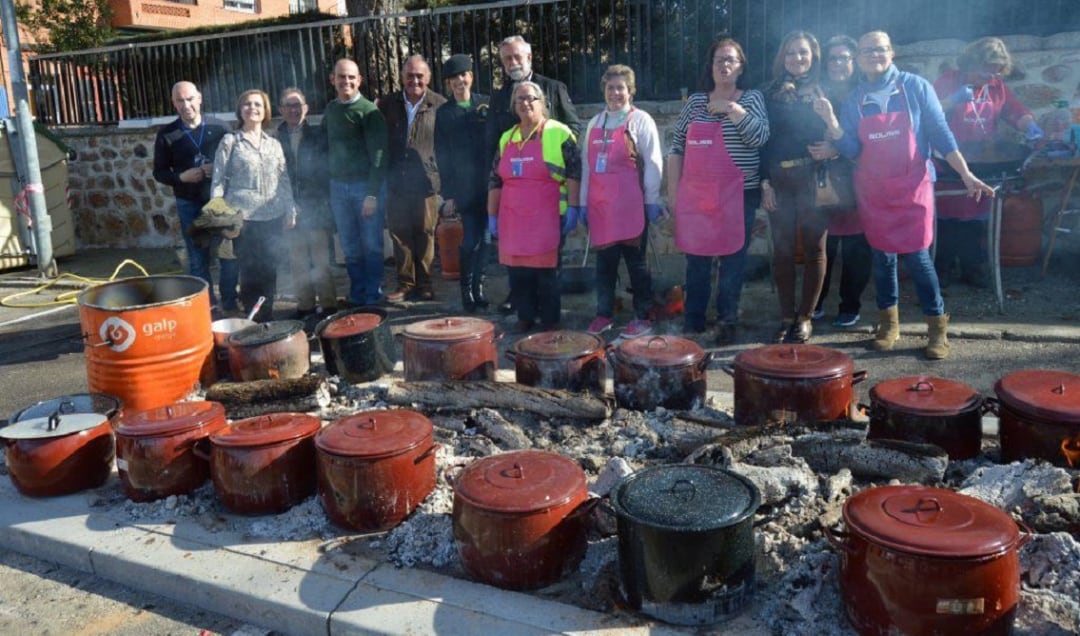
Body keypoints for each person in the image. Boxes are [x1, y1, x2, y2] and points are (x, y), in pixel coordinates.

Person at [820, 31, 995, 360]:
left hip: (913, 186)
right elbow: (853, 149)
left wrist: (965, 173)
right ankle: (889, 326)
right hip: (873, 189)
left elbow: (940, 133)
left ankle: (936, 329)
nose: (875, 55)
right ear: (859, 58)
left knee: (918, 258)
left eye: (881, 49)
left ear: (892, 53)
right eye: (868, 50)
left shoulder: (915, 87)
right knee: (882, 259)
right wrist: (832, 123)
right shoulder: (856, 99)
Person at [667, 38, 769, 345]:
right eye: (718, 60)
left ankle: (727, 320)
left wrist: (732, 110)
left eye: (730, 60)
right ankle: (693, 321)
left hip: (738, 195)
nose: (724, 65)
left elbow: (760, 137)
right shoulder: (696, 103)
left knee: (732, 261)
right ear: (710, 68)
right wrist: (674, 197)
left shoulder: (751, 99)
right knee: (696, 261)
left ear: (740, 67)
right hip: (697, 196)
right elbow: (676, 149)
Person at [933, 36, 1043, 288]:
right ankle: (943, 269)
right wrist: (952, 100)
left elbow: (1014, 111)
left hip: (983, 161)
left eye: (995, 69)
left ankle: (972, 267)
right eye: (986, 68)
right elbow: (927, 113)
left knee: (975, 216)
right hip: (951, 162)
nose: (990, 75)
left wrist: (1029, 124)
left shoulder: (996, 86)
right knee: (949, 216)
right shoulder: (949, 80)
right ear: (971, 62)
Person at [486, 35, 582, 314]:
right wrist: (492, 212)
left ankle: (550, 321)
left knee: (547, 267)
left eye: (517, 56)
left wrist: (552, 148)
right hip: (514, 210)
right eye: (507, 58)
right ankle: (524, 314)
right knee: (518, 267)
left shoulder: (554, 89)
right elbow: (494, 160)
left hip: (548, 206)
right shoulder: (500, 101)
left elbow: (573, 133)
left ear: (529, 57)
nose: (513, 62)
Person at [579, 64, 664, 339]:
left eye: (620, 88)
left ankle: (644, 315)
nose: (615, 93)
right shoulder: (594, 123)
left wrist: (651, 199)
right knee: (604, 265)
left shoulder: (641, 121)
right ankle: (603, 314)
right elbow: (586, 168)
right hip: (601, 208)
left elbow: (653, 163)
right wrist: (582, 203)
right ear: (604, 90)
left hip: (631, 207)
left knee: (636, 265)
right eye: (610, 87)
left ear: (630, 91)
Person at [760, 30, 832, 344]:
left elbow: (843, 132)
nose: (797, 58)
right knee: (784, 251)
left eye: (803, 52)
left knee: (815, 249)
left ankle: (805, 318)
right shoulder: (768, 92)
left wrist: (834, 147)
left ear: (813, 55)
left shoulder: (826, 89)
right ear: (782, 58)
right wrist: (765, 183)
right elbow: (762, 142)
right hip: (779, 178)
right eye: (791, 53)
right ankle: (786, 316)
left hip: (814, 177)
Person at [209, 89, 296, 322]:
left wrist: (291, 208)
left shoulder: (274, 144)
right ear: (240, 110)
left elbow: (283, 179)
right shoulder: (230, 142)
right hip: (243, 218)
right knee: (249, 272)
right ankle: (252, 320)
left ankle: (267, 317)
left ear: (265, 110)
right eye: (247, 104)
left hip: (273, 216)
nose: (252, 108)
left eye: (258, 104)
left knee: (269, 269)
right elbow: (217, 181)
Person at [152, 81, 238, 315]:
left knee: (228, 255)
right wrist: (181, 176)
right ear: (174, 103)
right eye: (180, 101)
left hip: (219, 202)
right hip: (188, 203)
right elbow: (159, 172)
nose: (186, 105)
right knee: (198, 259)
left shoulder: (221, 128)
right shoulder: (166, 134)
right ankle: (208, 307)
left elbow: (236, 163)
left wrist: (218, 168)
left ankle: (230, 302)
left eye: (190, 99)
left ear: (199, 98)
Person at [813, 34, 871, 329]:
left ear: (854, 61)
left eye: (844, 58)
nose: (838, 64)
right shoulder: (816, 91)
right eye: (833, 58)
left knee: (856, 247)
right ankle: (816, 302)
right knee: (824, 244)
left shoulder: (864, 94)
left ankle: (850, 305)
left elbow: (870, 140)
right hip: (823, 180)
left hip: (858, 178)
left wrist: (837, 148)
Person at [379, 55, 447, 303]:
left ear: (428, 78)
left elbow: (446, 146)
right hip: (396, 179)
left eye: (420, 75)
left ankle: (426, 284)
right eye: (410, 75)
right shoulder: (387, 104)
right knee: (399, 233)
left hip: (427, 181)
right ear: (402, 77)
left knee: (425, 233)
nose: (414, 80)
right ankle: (406, 284)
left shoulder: (439, 105)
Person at [323, 58, 388, 307]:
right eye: (341, 77)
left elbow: (380, 155)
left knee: (371, 244)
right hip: (338, 188)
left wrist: (372, 194)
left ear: (359, 80)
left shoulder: (369, 112)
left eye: (351, 77)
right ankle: (358, 294)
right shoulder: (331, 110)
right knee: (349, 246)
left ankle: (373, 295)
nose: (346, 81)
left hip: (365, 188)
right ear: (333, 80)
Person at [434, 54, 491, 313]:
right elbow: (442, 154)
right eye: (453, 78)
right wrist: (449, 194)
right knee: (470, 241)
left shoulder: (485, 105)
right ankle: (466, 292)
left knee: (487, 242)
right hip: (463, 188)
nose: (460, 81)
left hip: (488, 185)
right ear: (448, 84)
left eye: (463, 75)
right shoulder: (444, 114)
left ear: (471, 76)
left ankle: (479, 289)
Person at [275, 87, 337, 321]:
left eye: (297, 105)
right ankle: (305, 306)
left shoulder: (319, 136)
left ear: (306, 109)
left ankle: (329, 306)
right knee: (297, 259)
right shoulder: (275, 140)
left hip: (317, 207)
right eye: (288, 106)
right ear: (281, 110)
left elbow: (327, 172)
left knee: (321, 260)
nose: (293, 110)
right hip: (289, 208)